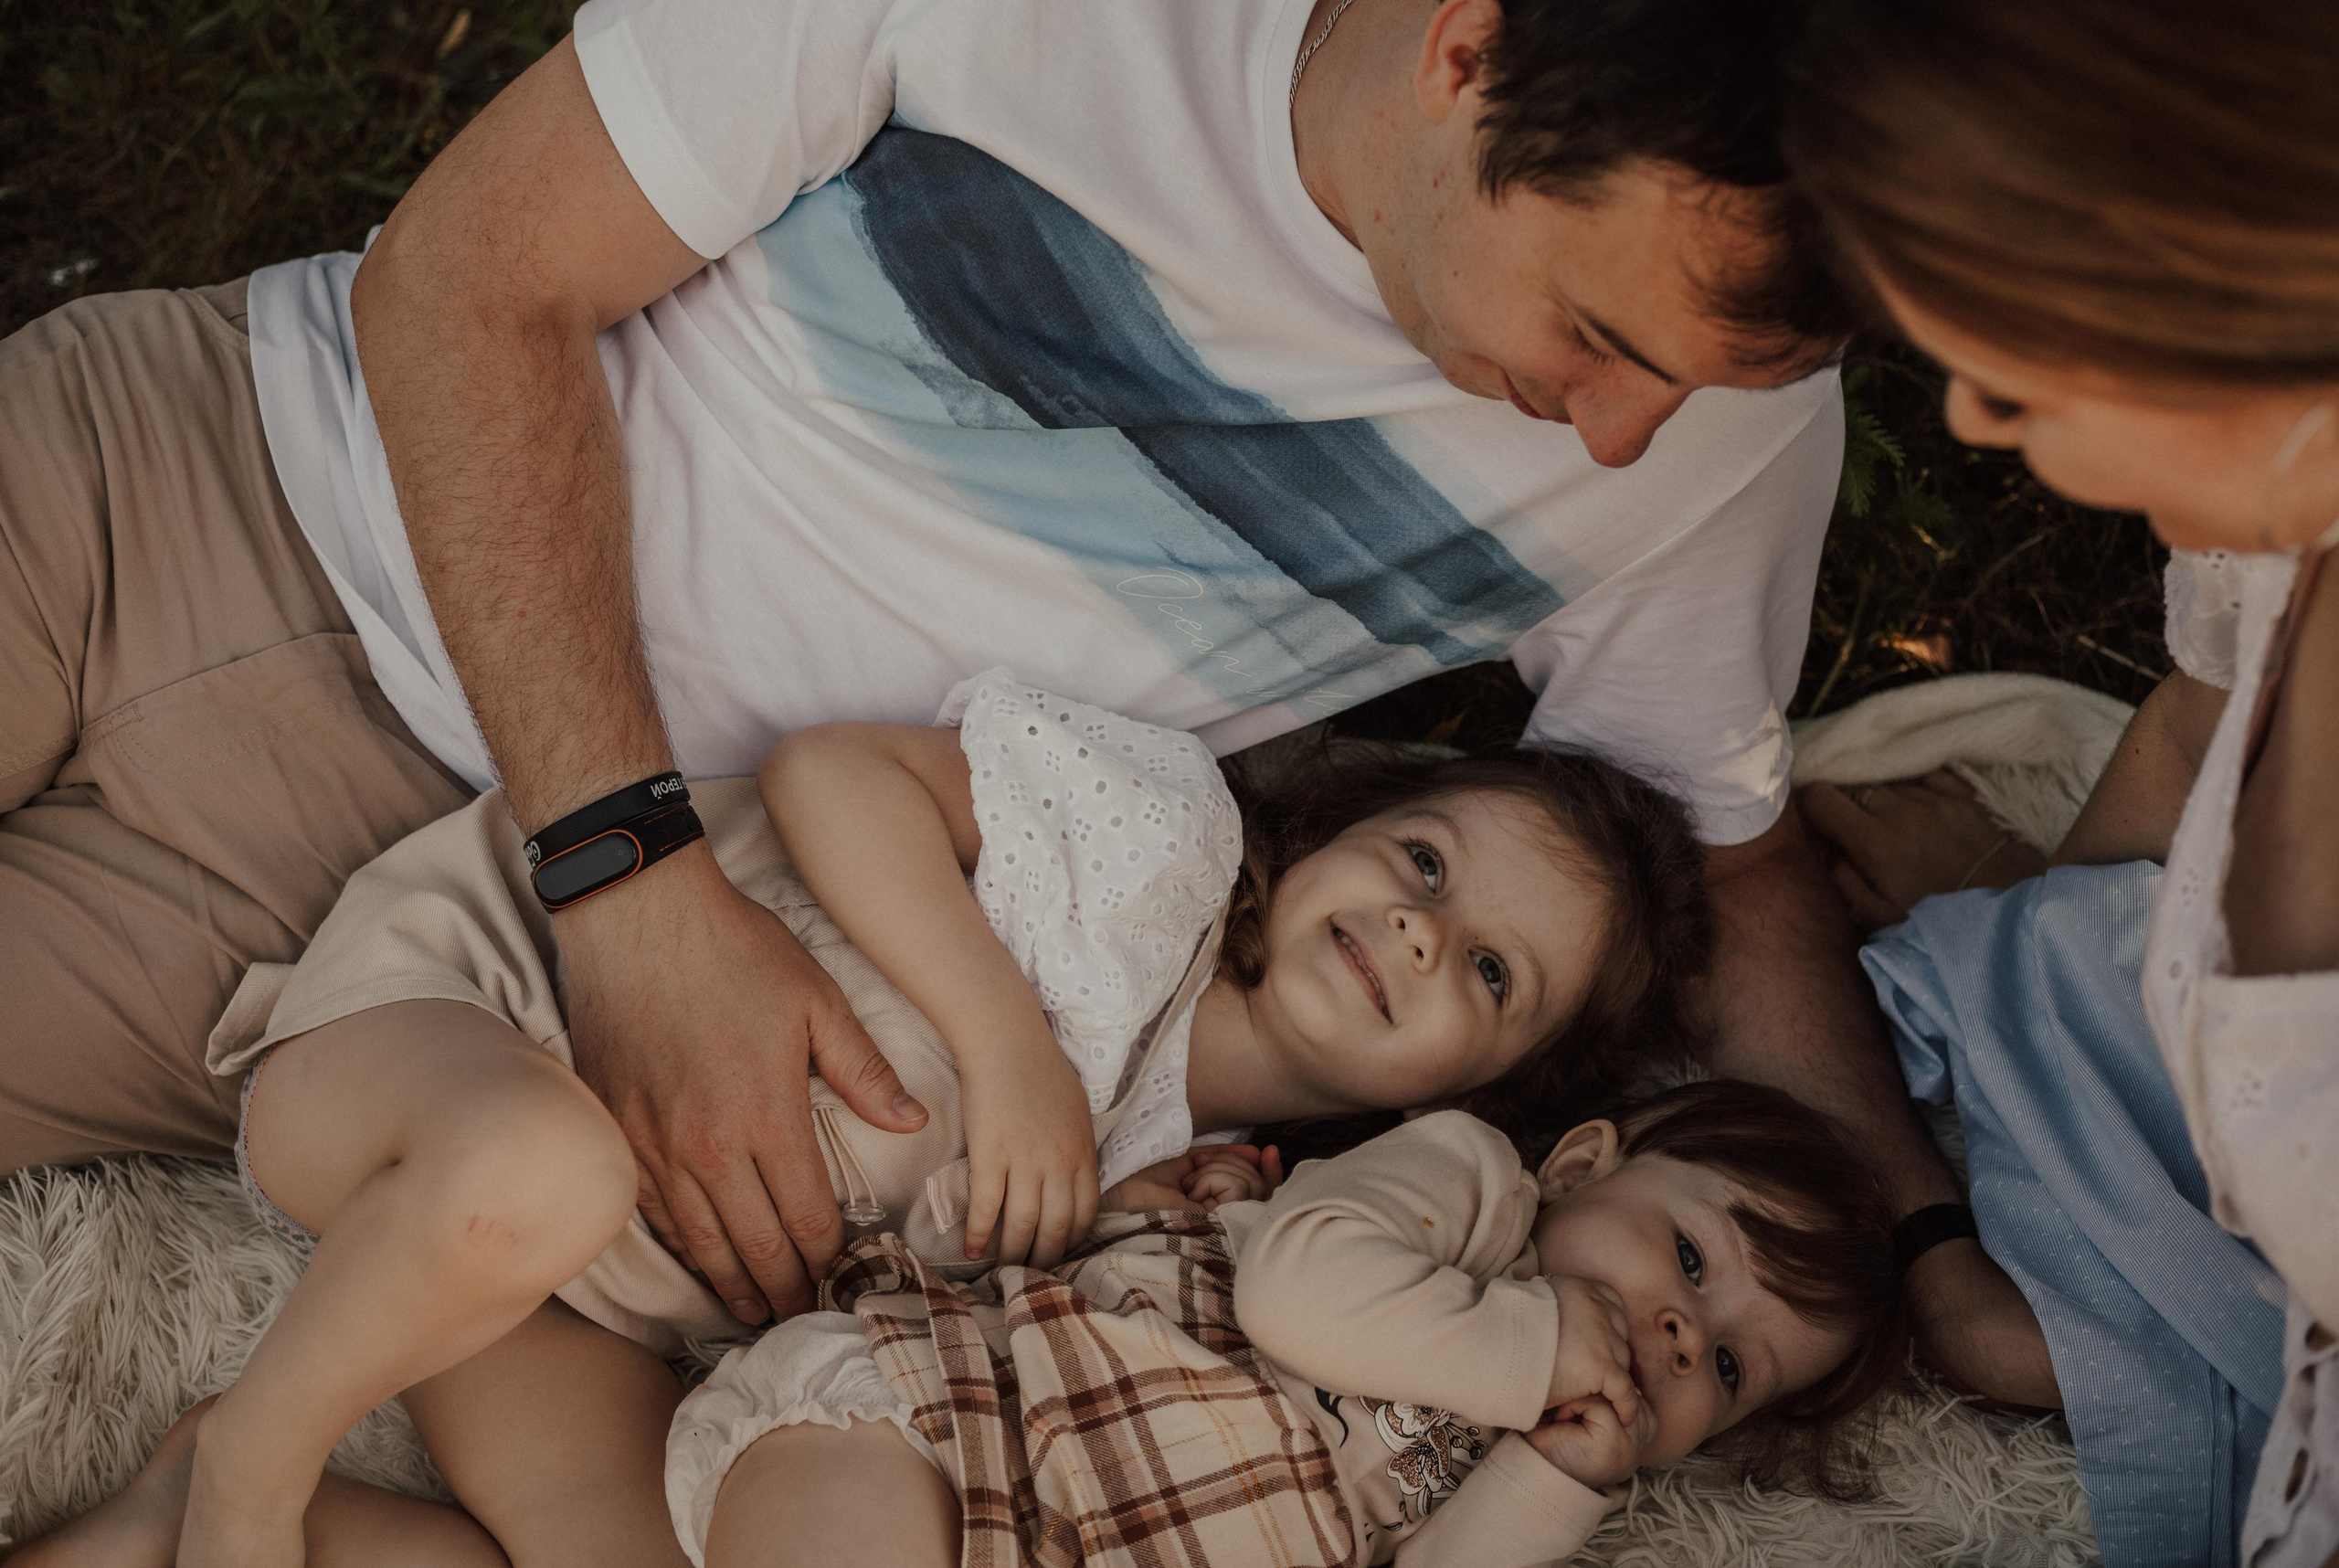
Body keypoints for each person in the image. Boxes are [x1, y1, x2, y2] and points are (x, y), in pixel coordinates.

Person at [4, 0, 1996, 1379]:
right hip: (201, 470)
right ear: (1464, 57)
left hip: (357, 888)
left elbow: (1714, 863)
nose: (1627, 437)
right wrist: (631, 881)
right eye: (1590, 334)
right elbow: (465, 282)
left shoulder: (1722, 433)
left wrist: (1929, 1258)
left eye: (1698, 385)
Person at [9, 673, 1710, 1566]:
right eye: (1424, 864)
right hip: (466, 1029)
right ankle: (256, 1454)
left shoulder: (1208, 1200)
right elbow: (834, 774)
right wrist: (1005, 1041)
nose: (1422, 929)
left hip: (574, 1301)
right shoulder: (1161, 845)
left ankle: (203, 1516)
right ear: (1345, 823)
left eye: (1490, 973)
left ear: (1481, 1092)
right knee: (542, 1160)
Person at [1784, 2, 2339, 1563]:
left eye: (1999, 340)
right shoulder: (2272, 512)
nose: (1963, 411)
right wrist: (2026, 944)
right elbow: (2181, 740)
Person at [672, 1078, 1905, 1568]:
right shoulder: (1477, 1197)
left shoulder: (1547, 1455)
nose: (1682, 1331)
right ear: (1582, 1165)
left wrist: (1550, 1483)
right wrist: (1526, 1343)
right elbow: (1295, 1289)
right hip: (945, 1418)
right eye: (1689, 1256)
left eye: (1730, 1366)